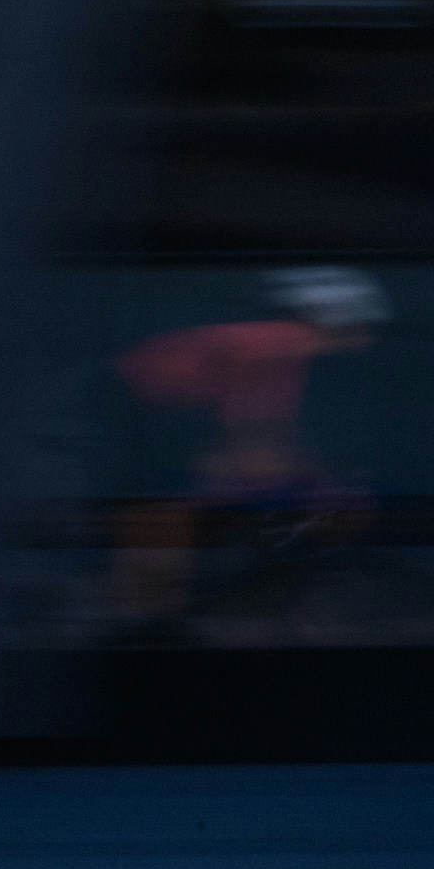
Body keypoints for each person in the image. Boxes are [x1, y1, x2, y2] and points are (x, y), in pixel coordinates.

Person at [107, 265, 388, 624]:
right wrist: (323, 483)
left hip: (147, 421)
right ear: (336, 322)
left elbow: (264, 435)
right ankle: (138, 617)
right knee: (172, 511)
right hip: (111, 418)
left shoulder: (278, 345)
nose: (364, 342)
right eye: (361, 329)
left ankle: (151, 608)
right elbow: (253, 442)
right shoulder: (272, 348)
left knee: (227, 490)